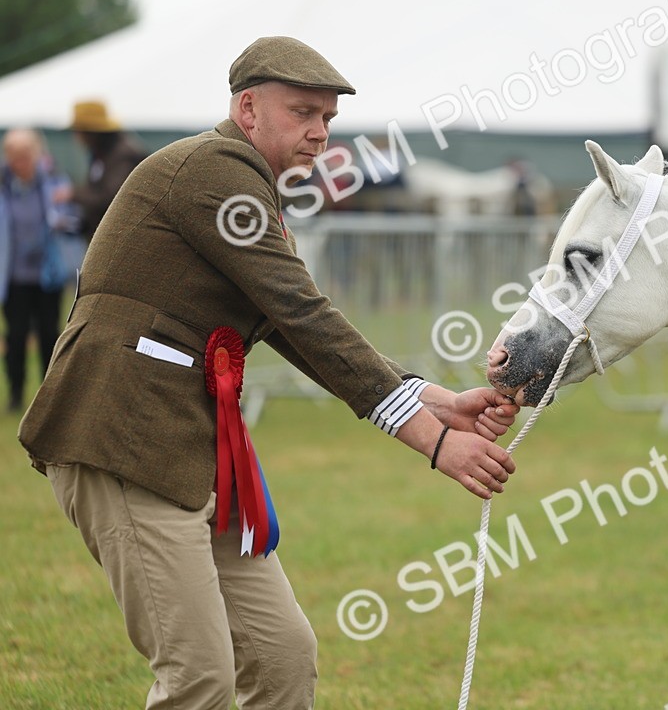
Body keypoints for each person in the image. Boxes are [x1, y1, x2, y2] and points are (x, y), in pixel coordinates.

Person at [19, 36, 520, 709]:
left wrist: (433, 399)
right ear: (247, 107)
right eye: (303, 112)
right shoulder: (217, 169)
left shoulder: (241, 183)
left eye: (328, 119)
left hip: (181, 444)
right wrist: (433, 440)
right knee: (199, 676)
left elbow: (291, 323)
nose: (319, 133)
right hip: (121, 438)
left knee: (283, 656)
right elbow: (302, 315)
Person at [0, 129, 80, 411]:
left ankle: (48, 396)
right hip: (13, 277)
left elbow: (74, 220)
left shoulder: (55, 183)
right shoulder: (4, 186)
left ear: (36, 154)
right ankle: (15, 394)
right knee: (16, 335)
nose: (19, 162)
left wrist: (61, 218)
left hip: (49, 275)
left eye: (24, 155)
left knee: (50, 334)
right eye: (14, 156)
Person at [59, 99, 147, 237]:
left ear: (90, 132)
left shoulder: (123, 156)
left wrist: (73, 194)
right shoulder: (101, 154)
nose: (76, 137)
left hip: (120, 237)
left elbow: (111, 198)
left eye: (78, 131)